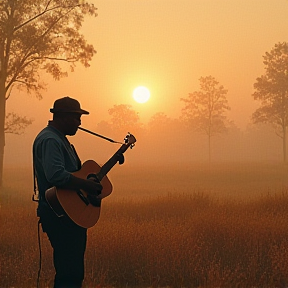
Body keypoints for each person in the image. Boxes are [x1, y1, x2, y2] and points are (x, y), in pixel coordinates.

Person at [33, 96, 103, 288]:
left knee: (72, 271)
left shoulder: (60, 139)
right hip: (59, 216)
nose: (79, 123)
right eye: (76, 118)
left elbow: (71, 173)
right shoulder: (50, 140)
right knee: (68, 272)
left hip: (68, 214)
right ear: (63, 117)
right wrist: (88, 186)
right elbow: (56, 175)